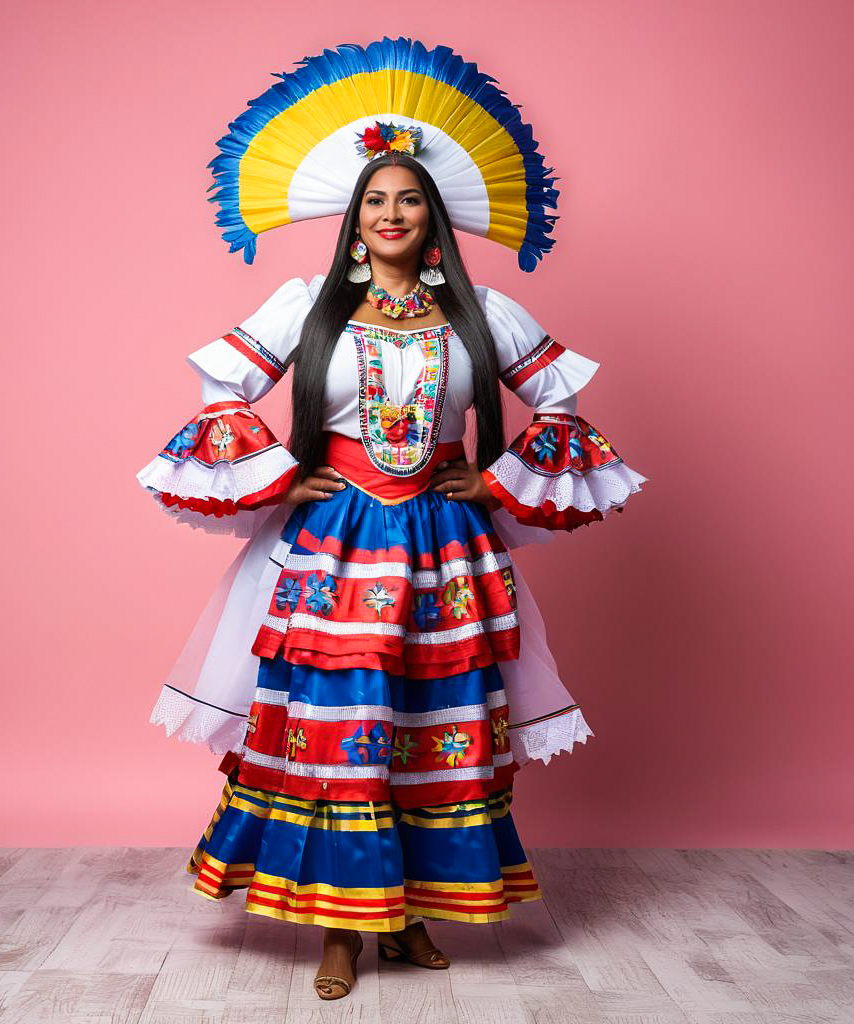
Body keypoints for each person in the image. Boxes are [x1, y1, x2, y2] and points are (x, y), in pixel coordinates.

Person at [136, 40, 647, 1001]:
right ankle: (338, 928)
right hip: (332, 549)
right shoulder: (307, 307)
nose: (392, 214)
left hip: (445, 550)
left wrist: (493, 483)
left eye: (409, 199)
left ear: (433, 214)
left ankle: (408, 920)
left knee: (430, 724)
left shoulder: (482, 313)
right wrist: (280, 480)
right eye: (376, 200)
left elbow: (564, 415)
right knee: (340, 728)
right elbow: (219, 397)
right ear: (353, 217)